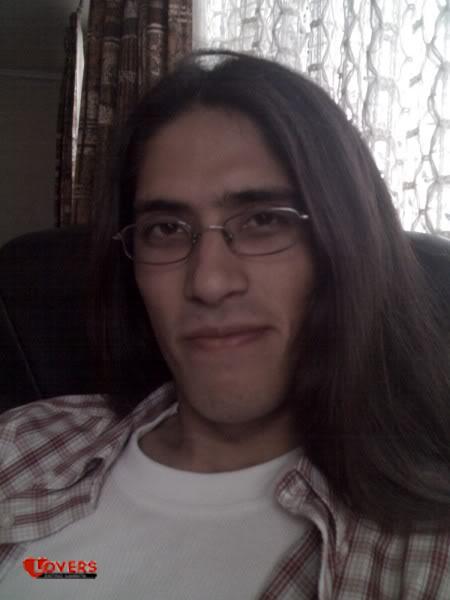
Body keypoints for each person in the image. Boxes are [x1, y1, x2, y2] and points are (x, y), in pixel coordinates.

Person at [1, 49, 450, 599]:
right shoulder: (22, 443)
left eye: (263, 220)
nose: (209, 282)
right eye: (166, 229)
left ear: (345, 246)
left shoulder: (424, 548)